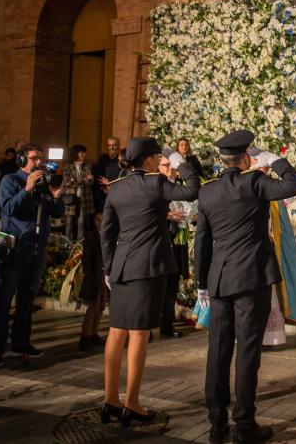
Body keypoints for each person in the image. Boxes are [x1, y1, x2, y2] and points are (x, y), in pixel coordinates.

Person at [194, 130, 296, 444]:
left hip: (218, 278)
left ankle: (216, 425)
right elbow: (294, 184)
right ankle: (244, 425)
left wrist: (202, 282)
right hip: (251, 277)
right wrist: (274, 160)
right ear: (246, 158)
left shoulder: (208, 191)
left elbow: (202, 241)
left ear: (221, 159)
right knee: (247, 351)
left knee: (217, 351)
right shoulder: (254, 183)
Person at [100, 136, 199, 427]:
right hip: (148, 267)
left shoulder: (116, 188)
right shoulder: (155, 183)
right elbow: (192, 191)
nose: (159, 160)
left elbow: (107, 232)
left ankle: (110, 400)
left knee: (117, 332)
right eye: (157, 156)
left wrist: (109, 267)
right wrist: (182, 164)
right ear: (147, 160)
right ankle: (132, 403)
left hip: (121, 267)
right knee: (139, 334)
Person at [0, 144, 65, 367]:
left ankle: (20, 343)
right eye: (34, 158)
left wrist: (56, 196)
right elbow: (9, 208)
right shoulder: (10, 181)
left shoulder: (43, 182)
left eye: (41, 158)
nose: (39, 162)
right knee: (3, 299)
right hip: (13, 248)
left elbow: (57, 213)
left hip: (36, 249)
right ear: (22, 160)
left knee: (26, 300)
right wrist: (27, 189)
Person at [159, 148, 190, 339]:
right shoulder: (154, 186)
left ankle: (167, 325)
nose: (170, 169)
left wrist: (188, 215)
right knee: (158, 286)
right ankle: (146, 327)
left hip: (177, 238)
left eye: (172, 165)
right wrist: (167, 215)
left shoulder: (178, 186)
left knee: (172, 283)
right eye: (165, 165)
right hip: (161, 241)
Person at [79, 210, 108, 350]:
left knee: (101, 306)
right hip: (94, 276)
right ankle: (86, 336)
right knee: (93, 306)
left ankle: (94, 333)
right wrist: (90, 275)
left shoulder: (107, 235)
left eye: (102, 221)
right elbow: (87, 260)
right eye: (98, 221)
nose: (100, 224)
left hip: (104, 275)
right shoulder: (91, 237)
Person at [62, 144, 95, 241]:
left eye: (84, 152)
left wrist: (74, 180)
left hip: (84, 197)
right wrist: (84, 180)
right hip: (71, 197)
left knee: (81, 222)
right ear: (75, 153)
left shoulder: (88, 165)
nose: (84, 154)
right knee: (69, 222)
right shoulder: (67, 166)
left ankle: (79, 245)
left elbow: (91, 181)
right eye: (81, 152)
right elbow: (67, 182)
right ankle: (67, 243)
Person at [93, 137, 121, 210]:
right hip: (102, 193)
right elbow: (98, 175)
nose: (111, 148)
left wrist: (109, 185)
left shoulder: (122, 160)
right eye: (109, 145)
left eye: (114, 145)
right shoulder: (103, 159)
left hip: (117, 192)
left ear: (119, 145)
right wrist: (103, 188)